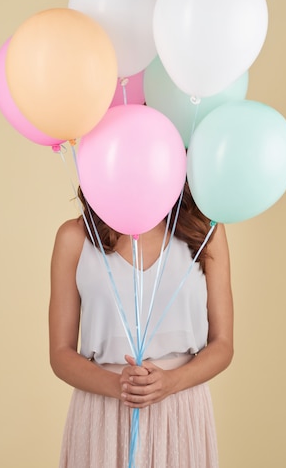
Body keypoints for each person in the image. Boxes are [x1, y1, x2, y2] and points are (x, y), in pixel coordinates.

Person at [49, 182, 233, 468]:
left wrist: (171, 383)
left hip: (180, 412)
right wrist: (118, 385)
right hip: (103, 412)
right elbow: (60, 353)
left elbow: (223, 345)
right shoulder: (74, 238)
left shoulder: (205, 232)